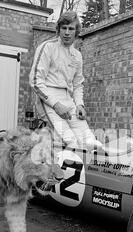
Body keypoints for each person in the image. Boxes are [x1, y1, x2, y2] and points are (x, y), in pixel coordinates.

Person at [29, 11, 103, 150]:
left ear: (76, 32)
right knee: (70, 141)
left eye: (71, 29)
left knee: (90, 142)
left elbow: (78, 84)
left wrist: (80, 105)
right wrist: (56, 105)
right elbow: (35, 81)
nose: (67, 32)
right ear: (58, 29)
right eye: (64, 28)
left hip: (68, 99)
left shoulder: (77, 55)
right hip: (49, 100)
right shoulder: (47, 47)